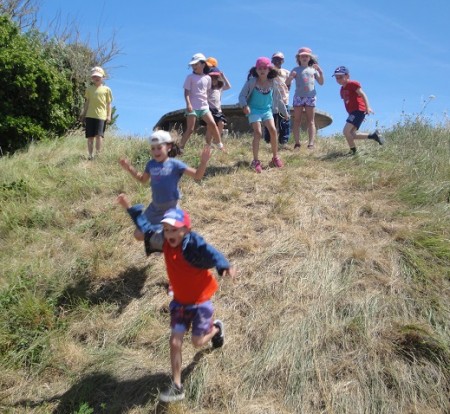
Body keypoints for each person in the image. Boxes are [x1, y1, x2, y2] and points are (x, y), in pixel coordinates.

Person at [116, 197, 236, 402]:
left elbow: (211, 252)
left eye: (174, 229)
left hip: (200, 302)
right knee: (175, 341)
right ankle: (177, 385)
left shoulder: (194, 246)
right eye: (166, 230)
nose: (169, 234)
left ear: (186, 230)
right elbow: (146, 229)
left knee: (198, 342)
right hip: (180, 302)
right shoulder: (164, 242)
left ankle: (216, 329)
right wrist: (130, 209)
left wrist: (224, 266)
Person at [119, 130, 211, 242]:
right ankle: (163, 241)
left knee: (177, 235)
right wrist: (129, 168)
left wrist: (203, 162)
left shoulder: (175, 164)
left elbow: (197, 175)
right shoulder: (151, 164)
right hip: (154, 208)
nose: (156, 151)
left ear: (169, 147)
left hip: (171, 208)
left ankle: (172, 242)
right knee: (138, 234)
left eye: (159, 147)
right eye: (153, 148)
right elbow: (142, 179)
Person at [238, 57, 289, 173]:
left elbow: (279, 99)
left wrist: (284, 113)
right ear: (256, 70)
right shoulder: (252, 82)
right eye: (259, 68)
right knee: (258, 132)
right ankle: (255, 161)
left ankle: (275, 157)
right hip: (254, 110)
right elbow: (241, 96)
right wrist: (244, 105)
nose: (262, 70)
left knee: (273, 130)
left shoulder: (273, 83)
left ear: (269, 70)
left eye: (265, 68)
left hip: (266, 110)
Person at [332, 65, 384, 154]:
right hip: (354, 113)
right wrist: (354, 115)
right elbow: (347, 102)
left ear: (347, 76)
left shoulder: (353, 84)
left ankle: (353, 152)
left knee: (346, 131)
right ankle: (374, 136)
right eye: (336, 78)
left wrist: (367, 107)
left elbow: (363, 94)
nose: (338, 79)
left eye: (340, 77)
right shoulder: (342, 89)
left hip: (358, 110)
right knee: (351, 134)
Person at [179, 53, 224, 153]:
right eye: (193, 65)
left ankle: (220, 145)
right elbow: (186, 92)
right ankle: (180, 148)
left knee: (213, 124)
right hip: (193, 107)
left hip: (204, 107)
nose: (194, 67)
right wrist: (188, 104)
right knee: (190, 129)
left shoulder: (207, 78)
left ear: (203, 64)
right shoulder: (190, 77)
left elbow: (207, 92)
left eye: (196, 64)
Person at [286, 47, 324, 150]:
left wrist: (320, 72)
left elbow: (321, 83)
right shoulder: (295, 70)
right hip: (298, 96)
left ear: (310, 58)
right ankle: (297, 143)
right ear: (298, 57)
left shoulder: (313, 70)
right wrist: (290, 77)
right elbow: (287, 83)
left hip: (310, 96)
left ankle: (311, 143)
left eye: (306, 56)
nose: (304, 57)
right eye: (302, 56)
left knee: (310, 120)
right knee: (297, 120)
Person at [79, 66, 113, 160]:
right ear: (92, 78)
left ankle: (98, 156)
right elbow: (87, 102)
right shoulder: (89, 89)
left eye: (98, 76)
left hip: (101, 116)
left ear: (103, 77)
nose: (96, 78)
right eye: (94, 77)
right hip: (90, 115)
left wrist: (109, 115)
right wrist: (83, 114)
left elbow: (109, 104)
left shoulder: (107, 89)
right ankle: (90, 155)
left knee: (99, 136)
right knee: (90, 137)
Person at [264, 52, 291, 147]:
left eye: (279, 59)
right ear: (272, 60)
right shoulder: (268, 71)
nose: (277, 61)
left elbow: (288, 85)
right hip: (270, 99)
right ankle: (268, 140)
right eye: (275, 59)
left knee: (284, 121)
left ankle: (283, 141)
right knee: (269, 120)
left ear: (282, 61)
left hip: (283, 99)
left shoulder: (286, 72)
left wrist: (285, 95)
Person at [203, 65, 232, 144]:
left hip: (218, 111)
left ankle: (216, 140)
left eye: (216, 78)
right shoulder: (208, 89)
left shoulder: (220, 88)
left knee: (221, 123)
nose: (214, 80)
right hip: (209, 110)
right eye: (212, 78)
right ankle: (208, 144)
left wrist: (223, 76)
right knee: (210, 127)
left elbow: (229, 86)